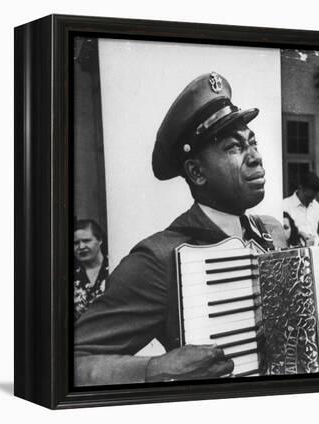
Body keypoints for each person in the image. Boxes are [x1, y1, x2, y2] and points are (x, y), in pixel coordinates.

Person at [74, 72, 286, 385]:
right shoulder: (158, 259)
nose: (256, 157)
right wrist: (155, 369)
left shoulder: (272, 232)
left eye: (252, 142)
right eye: (234, 147)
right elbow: (70, 360)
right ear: (197, 172)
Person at [73, 219, 109, 320]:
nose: (81, 246)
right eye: (75, 243)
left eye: (86, 241)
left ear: (100, 240)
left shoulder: (115, 267)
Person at [282, 171, 319, 246]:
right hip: (297, 251)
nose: (311, 200)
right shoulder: (285, 205)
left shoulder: (315, 205)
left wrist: (318, 238)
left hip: (315, 249)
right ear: (300, 188)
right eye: (308, 197)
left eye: (313, 197)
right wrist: (300, 234)